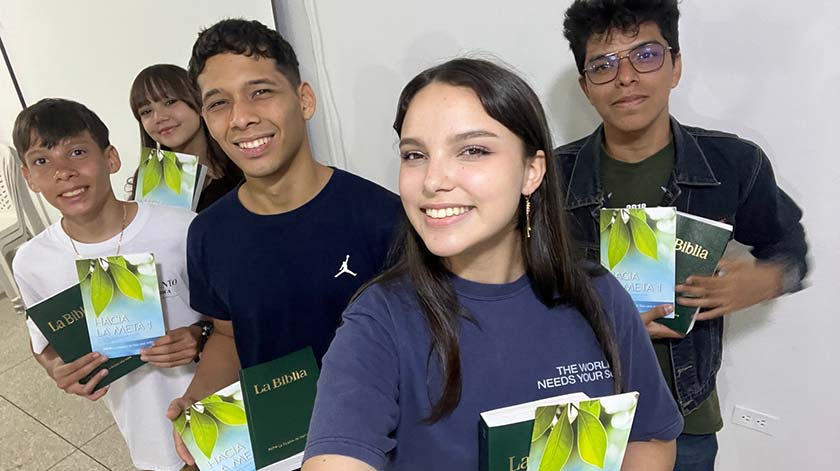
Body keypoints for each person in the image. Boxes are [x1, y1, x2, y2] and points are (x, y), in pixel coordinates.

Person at [301, 58, 683, 471]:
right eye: (415, 154)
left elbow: (650, 437)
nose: (433, 180)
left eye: (472, 150)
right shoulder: (380, 321)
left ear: (531, 171)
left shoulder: (597, 294)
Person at [556, 1, 809, 469]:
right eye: (603, 64)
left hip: (685, 419)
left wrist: (769, 279)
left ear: (675, 66)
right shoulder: (550, 178)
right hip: (578, 411)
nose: (625, 77)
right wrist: (600, 320)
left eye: (645, 55)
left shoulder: (733, 165)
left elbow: (790, 247)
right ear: (585, 85)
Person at [166, 19, 402, 466]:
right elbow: (228, 336)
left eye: (260, 91)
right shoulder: (208, 233)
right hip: (275, 449)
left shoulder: (383, 218)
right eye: (218, 103)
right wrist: (198, 397)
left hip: (376, 447)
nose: (241, 117)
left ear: (304, 100)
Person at [11, 98, 207, 471]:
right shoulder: (33, 263)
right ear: (29, 177)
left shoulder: (182, 228)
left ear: (111, 158)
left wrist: (200, 334)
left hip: (221, 408)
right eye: (42, 161)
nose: (63, 172)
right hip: (146, 432)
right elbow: (43, 344)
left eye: (77, 152)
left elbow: (234, 316)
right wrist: (56, 369)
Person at [128, 63, 243, 211]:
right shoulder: (154, 183)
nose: (159, 118)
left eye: (170, 102)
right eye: (146, 112)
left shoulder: (241, 160)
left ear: (199, 102)